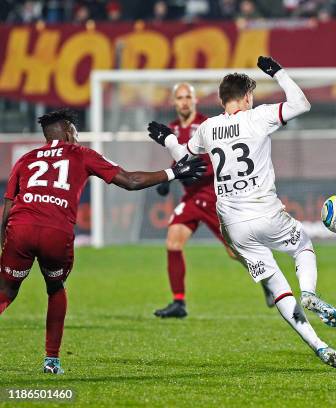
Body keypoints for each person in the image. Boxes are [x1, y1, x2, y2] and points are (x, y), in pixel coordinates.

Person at [147, 56, 336, 370]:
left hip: (234, 224)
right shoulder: (258, 117)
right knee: (303, 246)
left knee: (277, 288)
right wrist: (280, 73)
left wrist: (169, 139)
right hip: (266, 212)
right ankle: (309, 293)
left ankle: (321, 347)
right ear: (246, 98)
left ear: (220, 99)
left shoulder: (208, 127)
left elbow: (184, 159)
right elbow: (302, 104)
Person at [0, 109, 204, 374]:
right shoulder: (82, 154)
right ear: (67, 131)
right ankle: (52, 361)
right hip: (55, 232)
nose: (78, 136)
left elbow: (7, 208)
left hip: (21, 228)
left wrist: (5, 242)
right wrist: (174, 172)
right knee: (55, 288)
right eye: (75, 131)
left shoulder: (25, 159)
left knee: (6, 291)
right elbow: (130, 181)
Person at [153, 82, 274, 319]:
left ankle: (268, 279)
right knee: (173, 241)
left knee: (233, 250)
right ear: (174, 102)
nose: (184, 101)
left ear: (195, 100)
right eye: (180, 98)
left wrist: (192, 170)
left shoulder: (208, 125)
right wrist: (168, 179)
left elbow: (217, 158)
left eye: (188, 97)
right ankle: (179, 302)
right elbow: (182, 157)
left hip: (213, 194)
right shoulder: (173, 128)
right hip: (191, 197)